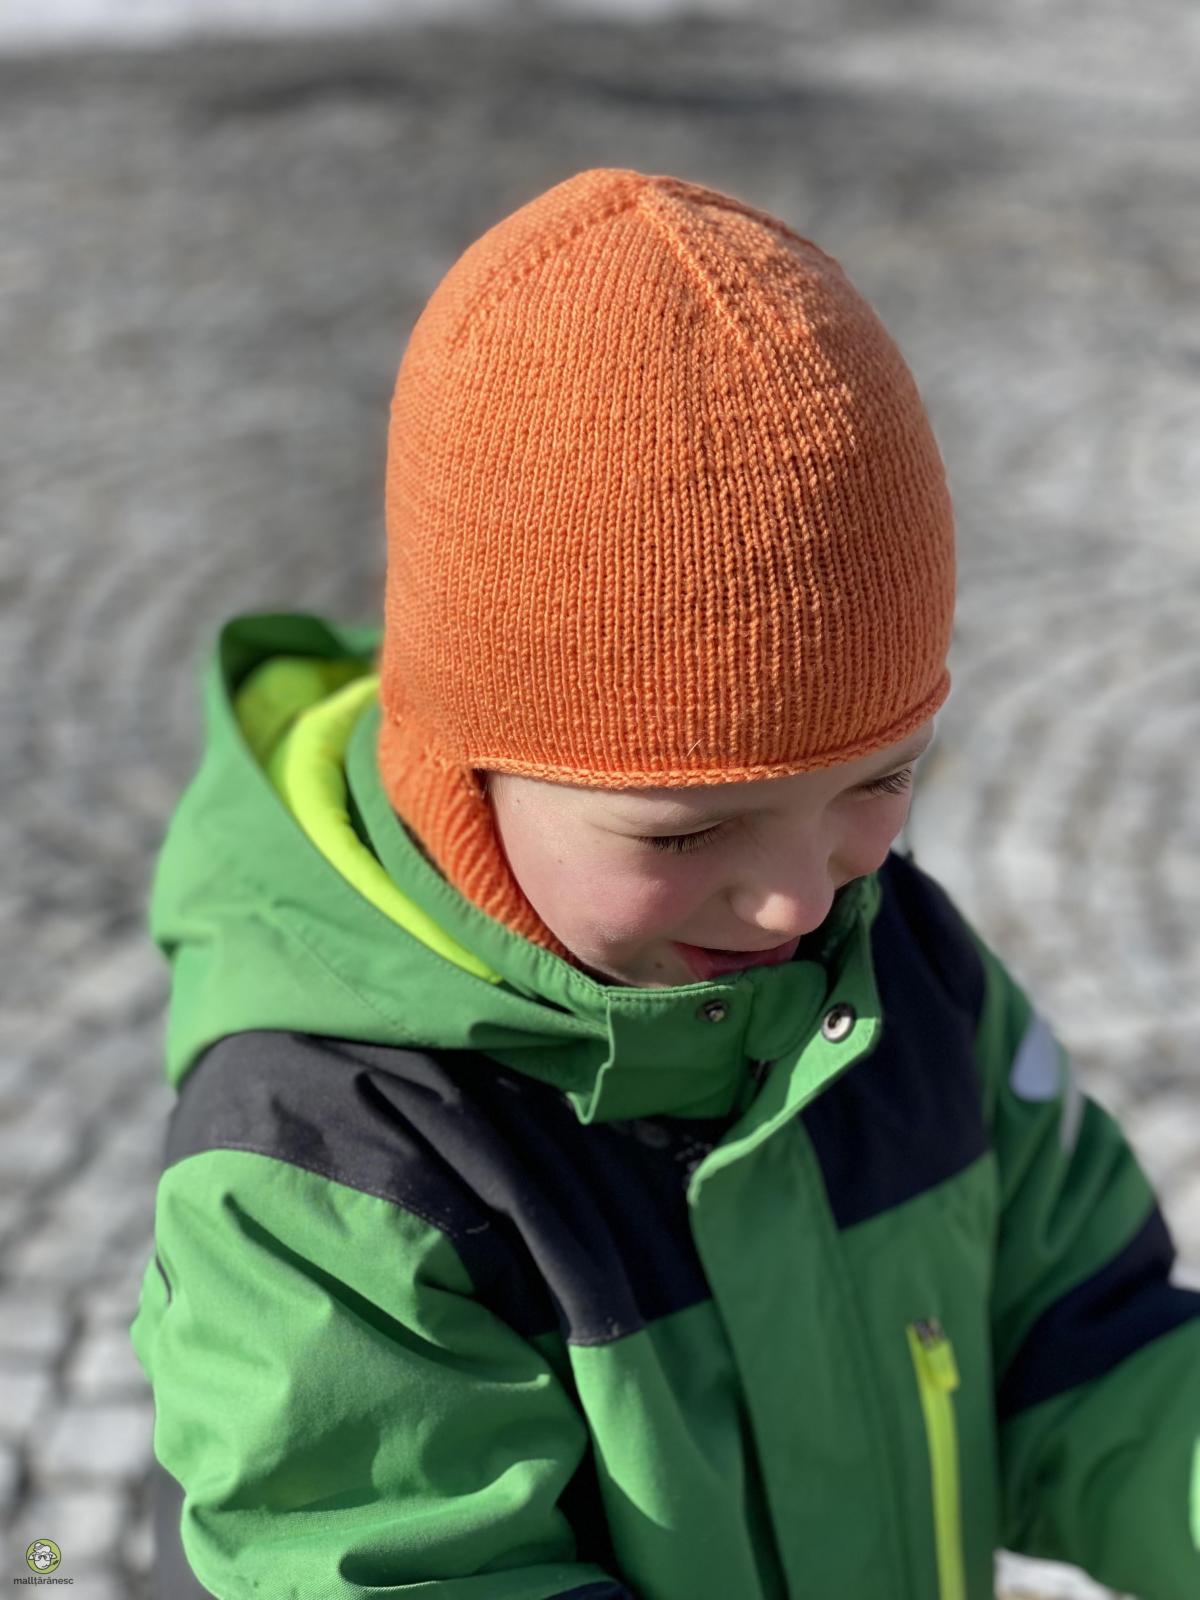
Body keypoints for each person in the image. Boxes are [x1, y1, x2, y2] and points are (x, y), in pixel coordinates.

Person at [129, 167, 1200, 1599]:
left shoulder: (905, 975)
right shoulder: (329, 1175)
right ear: (467, 767)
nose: (799, 903)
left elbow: (1087, 1352)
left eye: (879, 783)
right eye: (685, 836)